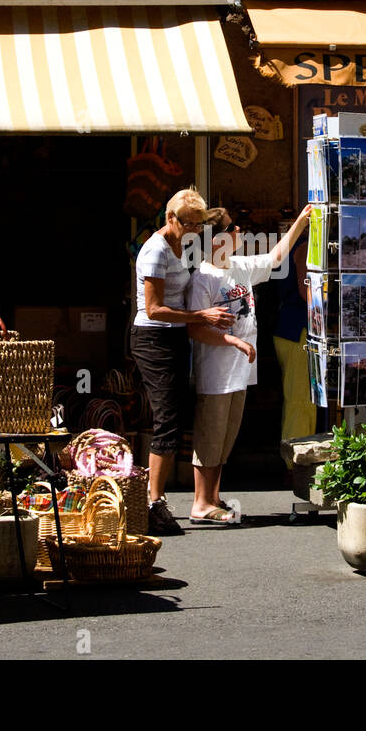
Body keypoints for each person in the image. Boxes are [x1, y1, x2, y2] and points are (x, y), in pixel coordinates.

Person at [187, 206, 312, 523]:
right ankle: (200, 502)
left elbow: (275, 257)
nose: (239, 231)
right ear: (217, 239)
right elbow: (196, 328)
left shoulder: (239, 266)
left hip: (239, 371)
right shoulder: (203, 279)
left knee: (226, 437)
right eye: (232, 228)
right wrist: (234, 341)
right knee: (210, 436)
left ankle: (212, 497)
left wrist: (300, 222)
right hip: (215, 372)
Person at [132, 188, 233, 536]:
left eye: (198, 225)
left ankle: (154, 500)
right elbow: (154, 308)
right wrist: (199, 314)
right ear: (170, 218)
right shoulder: (156, 249)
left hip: (174, 336)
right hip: (153, 338)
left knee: (173, 416)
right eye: (189, 223)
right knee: (167, 419)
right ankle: (152, 502)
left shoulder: (179, 244)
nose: (194, 230)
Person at [272, 230, 316, 443]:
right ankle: (295, 461)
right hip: (298, 329)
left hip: (287, 326)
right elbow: (305, 290)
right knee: (300, 399)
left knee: (297, 396)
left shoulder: (290, 243)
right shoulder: (304, 245)